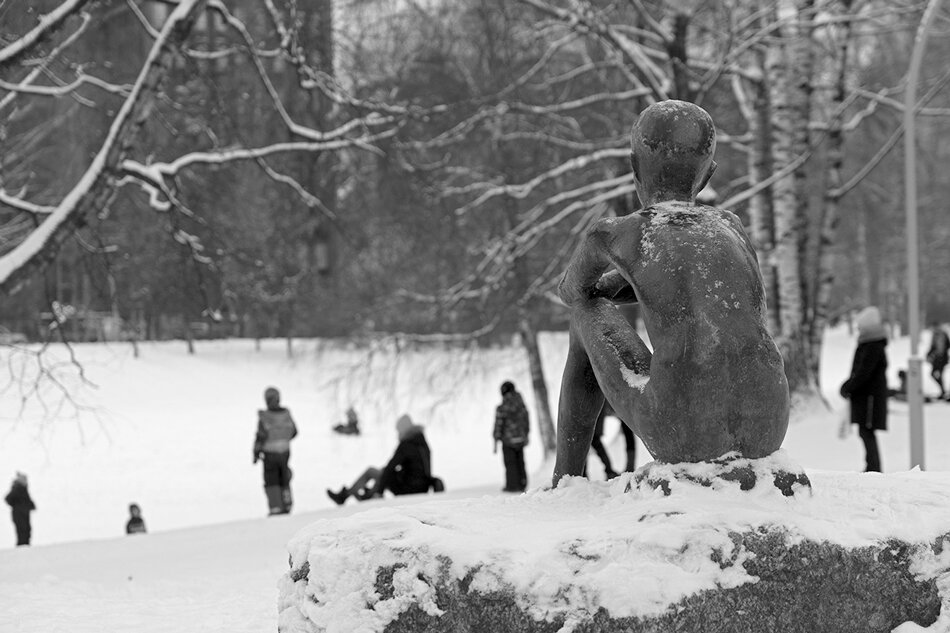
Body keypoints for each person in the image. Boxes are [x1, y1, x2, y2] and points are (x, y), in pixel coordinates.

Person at [553, 100, 789, 485]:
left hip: (682, 430)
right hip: (769, 424)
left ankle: (565, 479)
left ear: (634, 167)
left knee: (585, 313)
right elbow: (700, 295)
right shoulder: (730, 227)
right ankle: (566, 478)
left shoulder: (617, 233)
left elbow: (573, 291)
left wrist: (610, 286)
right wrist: (633, 284)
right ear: (707, 175)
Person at [327, 414, 433, 505]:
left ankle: (346, 496)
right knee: (383, 472)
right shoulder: (422, 443)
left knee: (371, 471)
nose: (398, 434)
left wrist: (380, 491)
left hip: (409, 489)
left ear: (403, 429)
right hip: (423, 487)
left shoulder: (406, 444)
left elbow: (390, 467)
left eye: (398, 431)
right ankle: (368, 494)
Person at [840, 306, 889, 473]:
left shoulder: (873, 346)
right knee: (865, 432)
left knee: (866, 431)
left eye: (860, 327)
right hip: (866, 396)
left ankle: (873, 468)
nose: (858, 330)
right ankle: (872, 466)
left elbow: (864, 372)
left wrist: (848, 386)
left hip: (869, 398)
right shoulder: (870, 344)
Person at [253, 386, 298, 515]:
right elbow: (294, 432)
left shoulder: (265, 417)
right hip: (285, 452)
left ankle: (276, 507)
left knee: (271, 479)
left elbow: (260, 436)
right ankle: (287, 503)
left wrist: (256, 453)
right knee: (284, 477)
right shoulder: (286, 414)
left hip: (270, 454)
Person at [493, 381, 530, 492]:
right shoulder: (521, 405)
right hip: (520, 438)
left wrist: (496, 435)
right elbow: (526, 421)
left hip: (508, 440)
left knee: (510, 463)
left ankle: (512, 485)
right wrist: (526, 434)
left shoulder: (503, 407)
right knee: (520, 462)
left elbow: (499, 423)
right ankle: (522, 483)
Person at [5, 472, 35, 546]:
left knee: (27, 530)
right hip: (19, 514)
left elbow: (27, 500)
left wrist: (31, 505)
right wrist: (17, 506)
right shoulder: (17, 488)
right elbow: (8, 498)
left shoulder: (23, 489)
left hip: (24, 513)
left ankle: (25, 546)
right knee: (22, 530)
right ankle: (22, 547)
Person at [926, 322, 949, 400]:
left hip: (941, 359)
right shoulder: (935, 335)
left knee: (938, 374)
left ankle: (943, 391)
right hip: (936, 358)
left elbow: (947, 345)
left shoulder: (943, 335)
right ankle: (942, 391)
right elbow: (933, 347)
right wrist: (929, 355)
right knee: (934, 374)